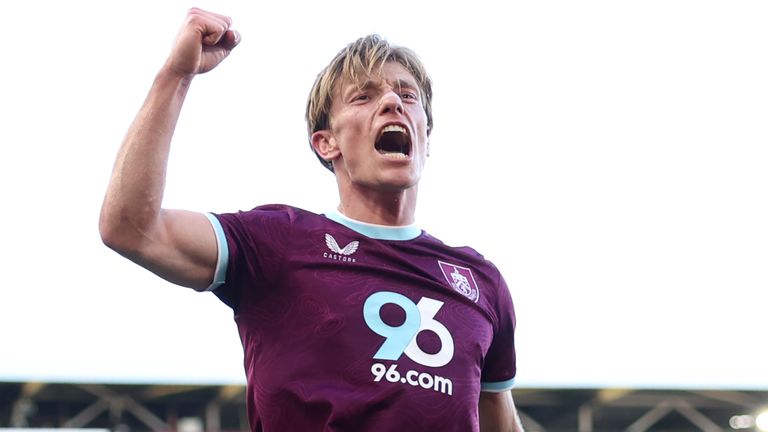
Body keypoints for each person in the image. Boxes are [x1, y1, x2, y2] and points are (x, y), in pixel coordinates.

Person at [99, 7, 524, 432]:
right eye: (363, 96)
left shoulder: (480, 283)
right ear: (326, 143)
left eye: (407, 95)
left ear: (426, 137)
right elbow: (130, 228)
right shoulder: (275, 243)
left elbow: (501, 423)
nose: (393, 102)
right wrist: (177, 74)